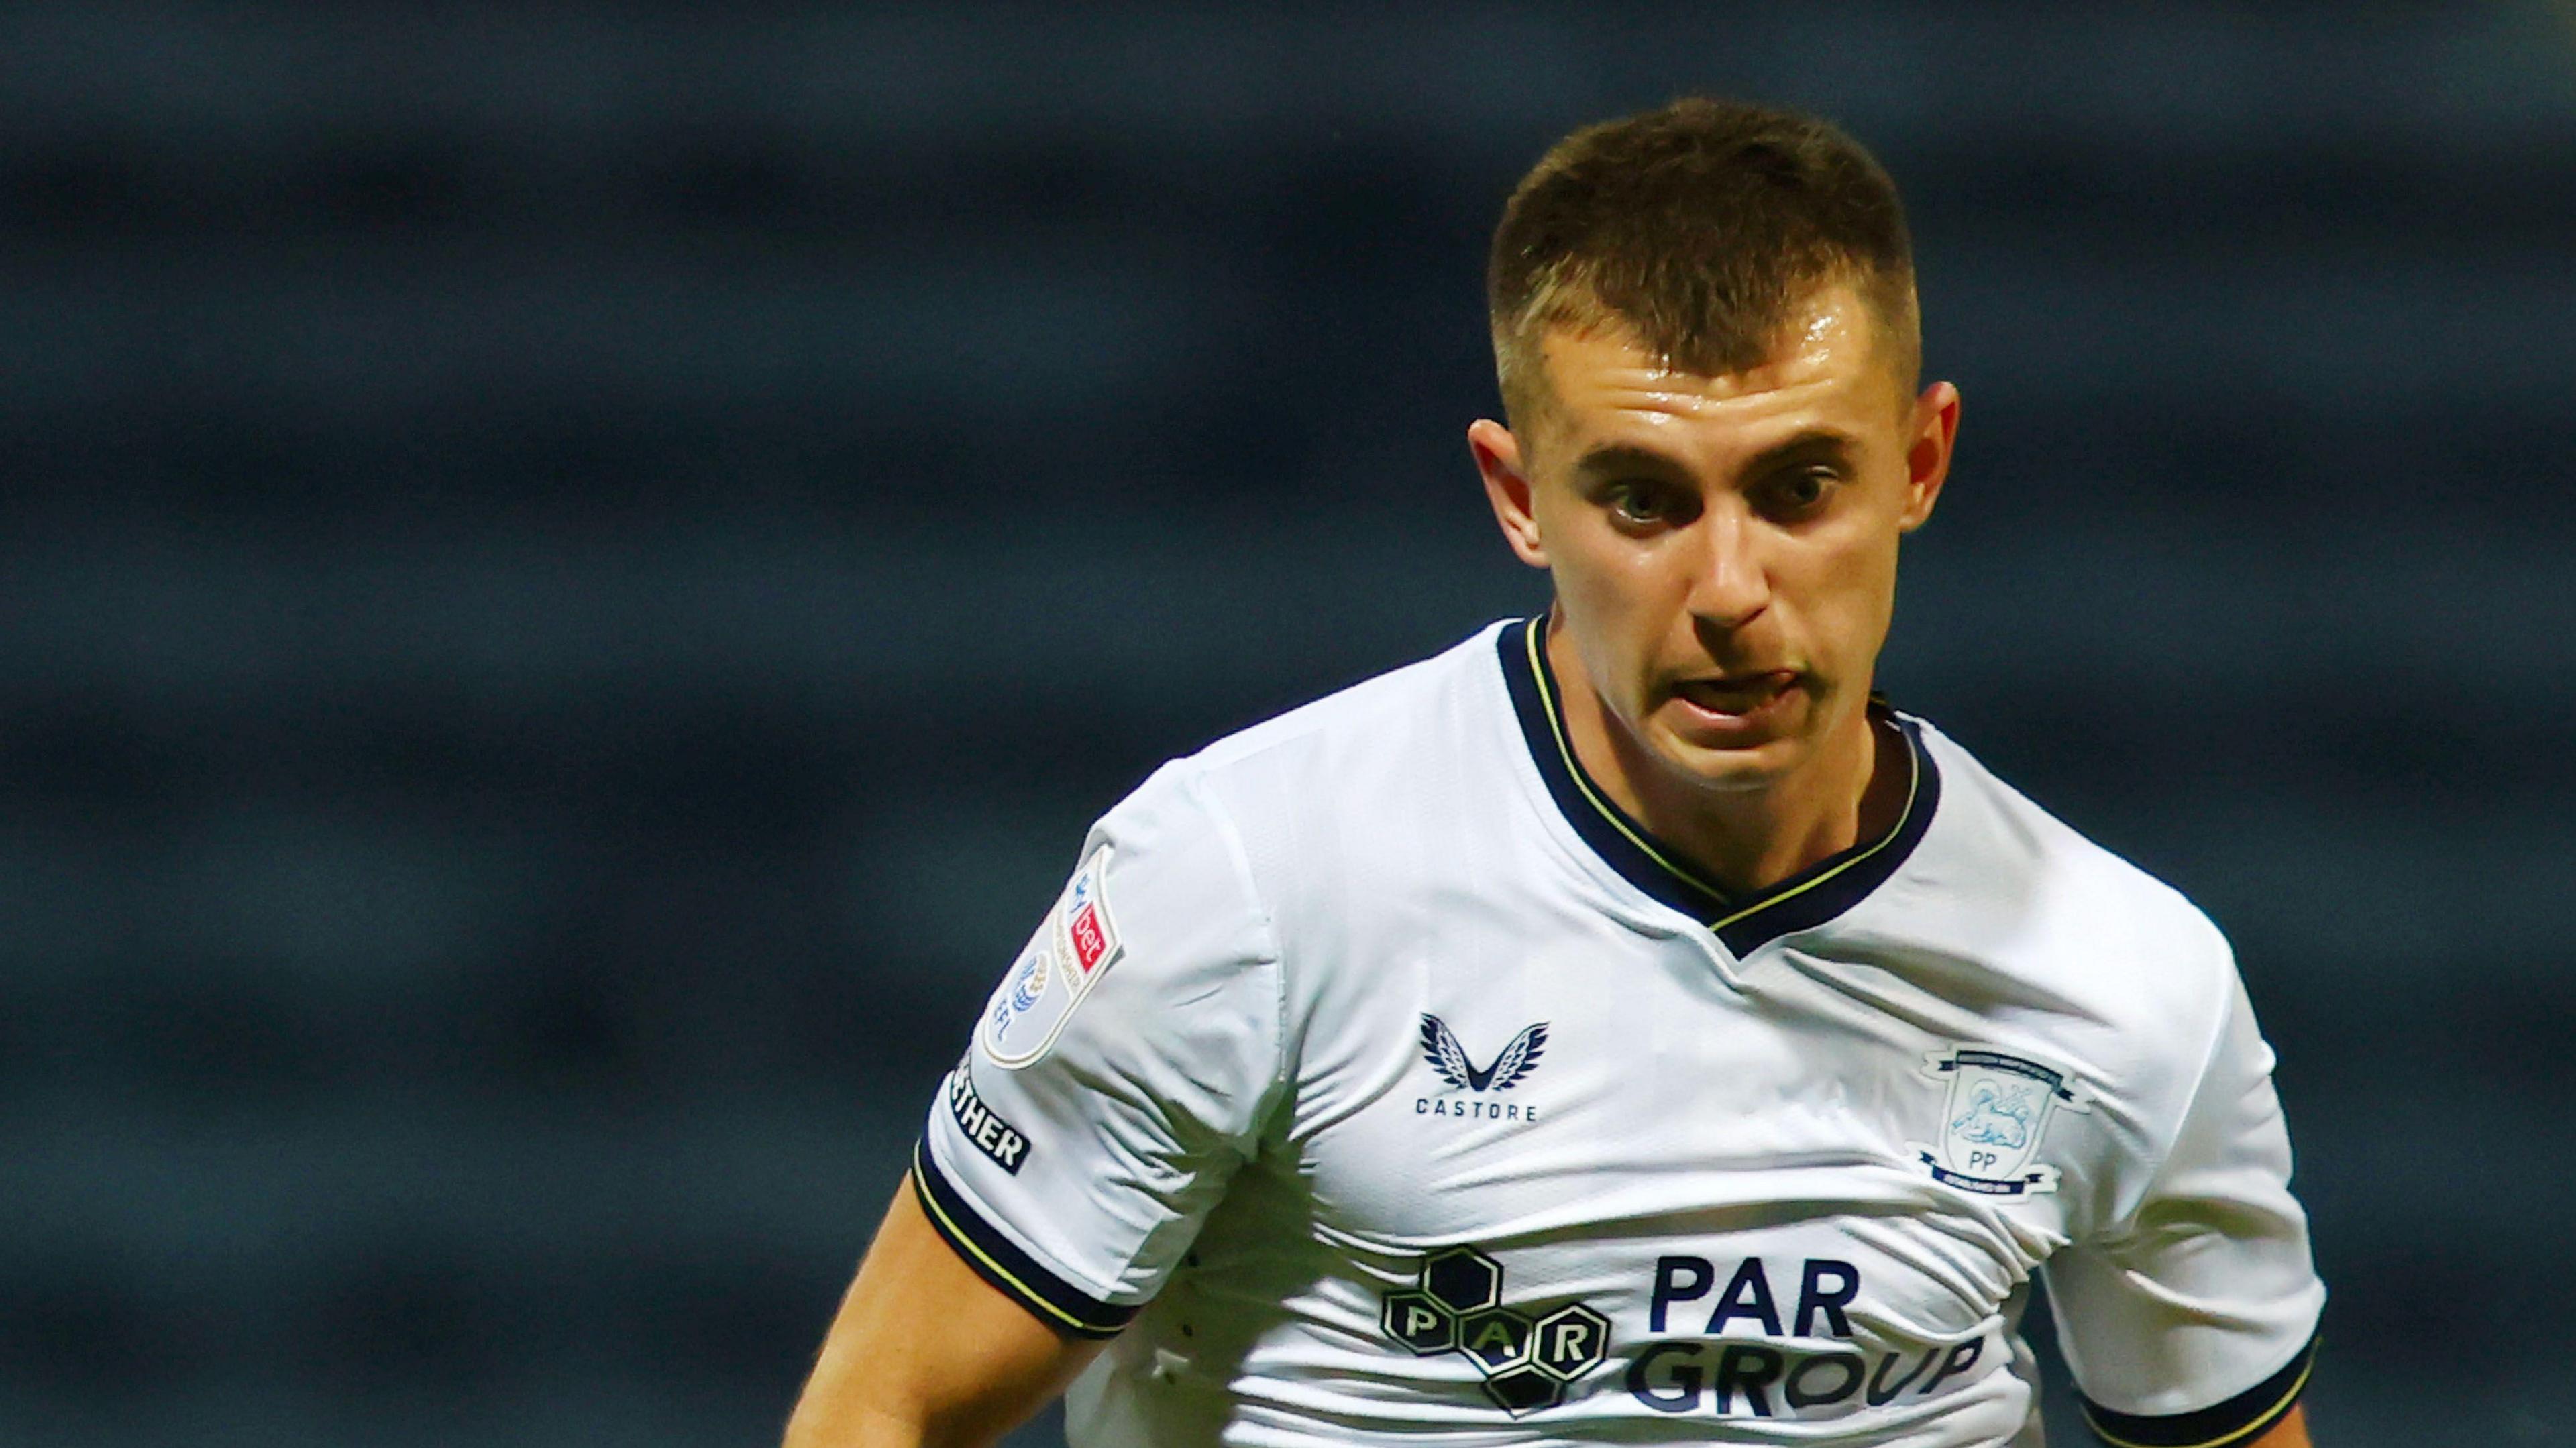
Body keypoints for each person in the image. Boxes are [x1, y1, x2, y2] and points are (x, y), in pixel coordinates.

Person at [783, 97, 2324, 1447]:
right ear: (1520, 498)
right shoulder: (1250, 878)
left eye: (1800, 488)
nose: (1730, 587)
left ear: (1919, 464)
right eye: (1644, 501)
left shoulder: (2133, 987)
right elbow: (882, 1408)